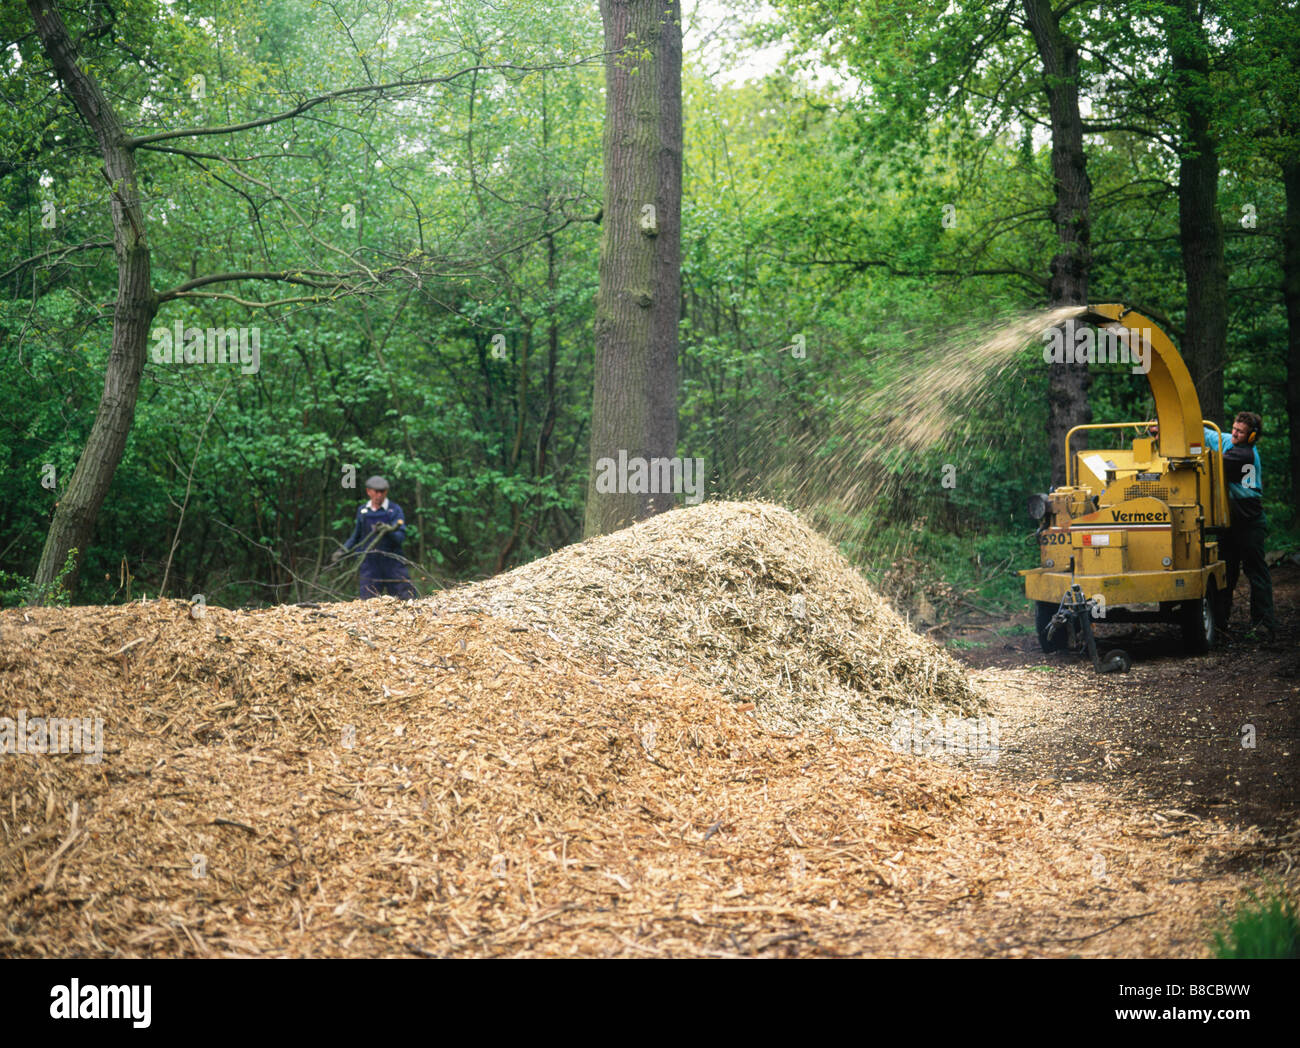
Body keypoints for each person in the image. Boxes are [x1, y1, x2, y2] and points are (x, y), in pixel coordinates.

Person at [1203, 412, 1276, 640]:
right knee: (1226, 573)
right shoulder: (1227, 440)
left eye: (1240, 432)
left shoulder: (1244, 454)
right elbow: (1206, 434)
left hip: (1250, 522)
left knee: (1256, 572)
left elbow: (1210, 463)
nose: (1234, 434)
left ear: (1251, 436)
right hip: (1231, 523)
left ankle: (1264, 625)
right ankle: (1220, 624)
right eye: (1234, 429)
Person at [331, 475, 417, 599]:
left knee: (406, 598)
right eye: (376, 492)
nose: (379, 495)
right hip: (369, 564)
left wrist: (388, 530)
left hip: (393, 563)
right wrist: (342, 551)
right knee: (368, 602)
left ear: (386, 492)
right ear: (368, 491)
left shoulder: (394, 510)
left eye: (382, 492)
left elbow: (400, 538)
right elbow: (356, 536)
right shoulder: (363, 511)